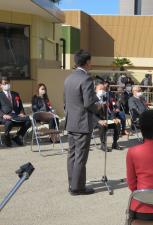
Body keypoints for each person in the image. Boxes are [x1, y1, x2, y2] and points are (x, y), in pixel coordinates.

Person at [64, 50, 101, 196]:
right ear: (87, 62)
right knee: (80, 156)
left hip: (71, 121)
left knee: (72, 154)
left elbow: (65, 101)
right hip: (82, 123)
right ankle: (77, 188)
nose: (91, 64)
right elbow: (88, 103)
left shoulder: (68, 78)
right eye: (90, 61)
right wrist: (98, 106)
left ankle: (72, 183)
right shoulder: (86, 79)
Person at [0, 76, 31, 147]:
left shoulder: (15, 94)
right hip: (5, 117)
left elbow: (20, 106)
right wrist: (3, 115)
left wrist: (22, 113)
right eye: (4, 83)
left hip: (16, 116)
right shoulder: (0, 95)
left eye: (8, 83)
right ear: (0, 85)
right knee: (9, 123)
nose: (7, 85)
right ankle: (6, 137)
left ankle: (18, 136)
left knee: (29, 121)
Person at [94, 79, 122, 150]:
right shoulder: (92, 98)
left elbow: (111, 110)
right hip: (95, 120)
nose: (102, 90)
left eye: (103, 89)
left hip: (106, 119)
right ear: (96, 90)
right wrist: (99, 121)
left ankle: (115, 143)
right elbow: (90, 113)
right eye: (100, 89)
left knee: (117, 123)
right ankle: (103, 144)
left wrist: (113, 118)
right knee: (102, 125)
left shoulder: (106, 98)